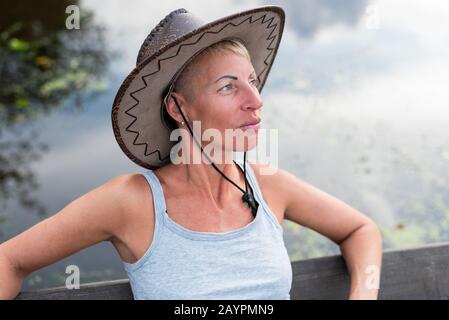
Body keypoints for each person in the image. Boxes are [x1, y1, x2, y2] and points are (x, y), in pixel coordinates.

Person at [0, 6, 382, 300]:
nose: (256, 101)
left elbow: (360, 230)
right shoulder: (131, 202)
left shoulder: (268, 185)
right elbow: (11, 260)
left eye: (251, 81)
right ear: (177, 109)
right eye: (228, 88)